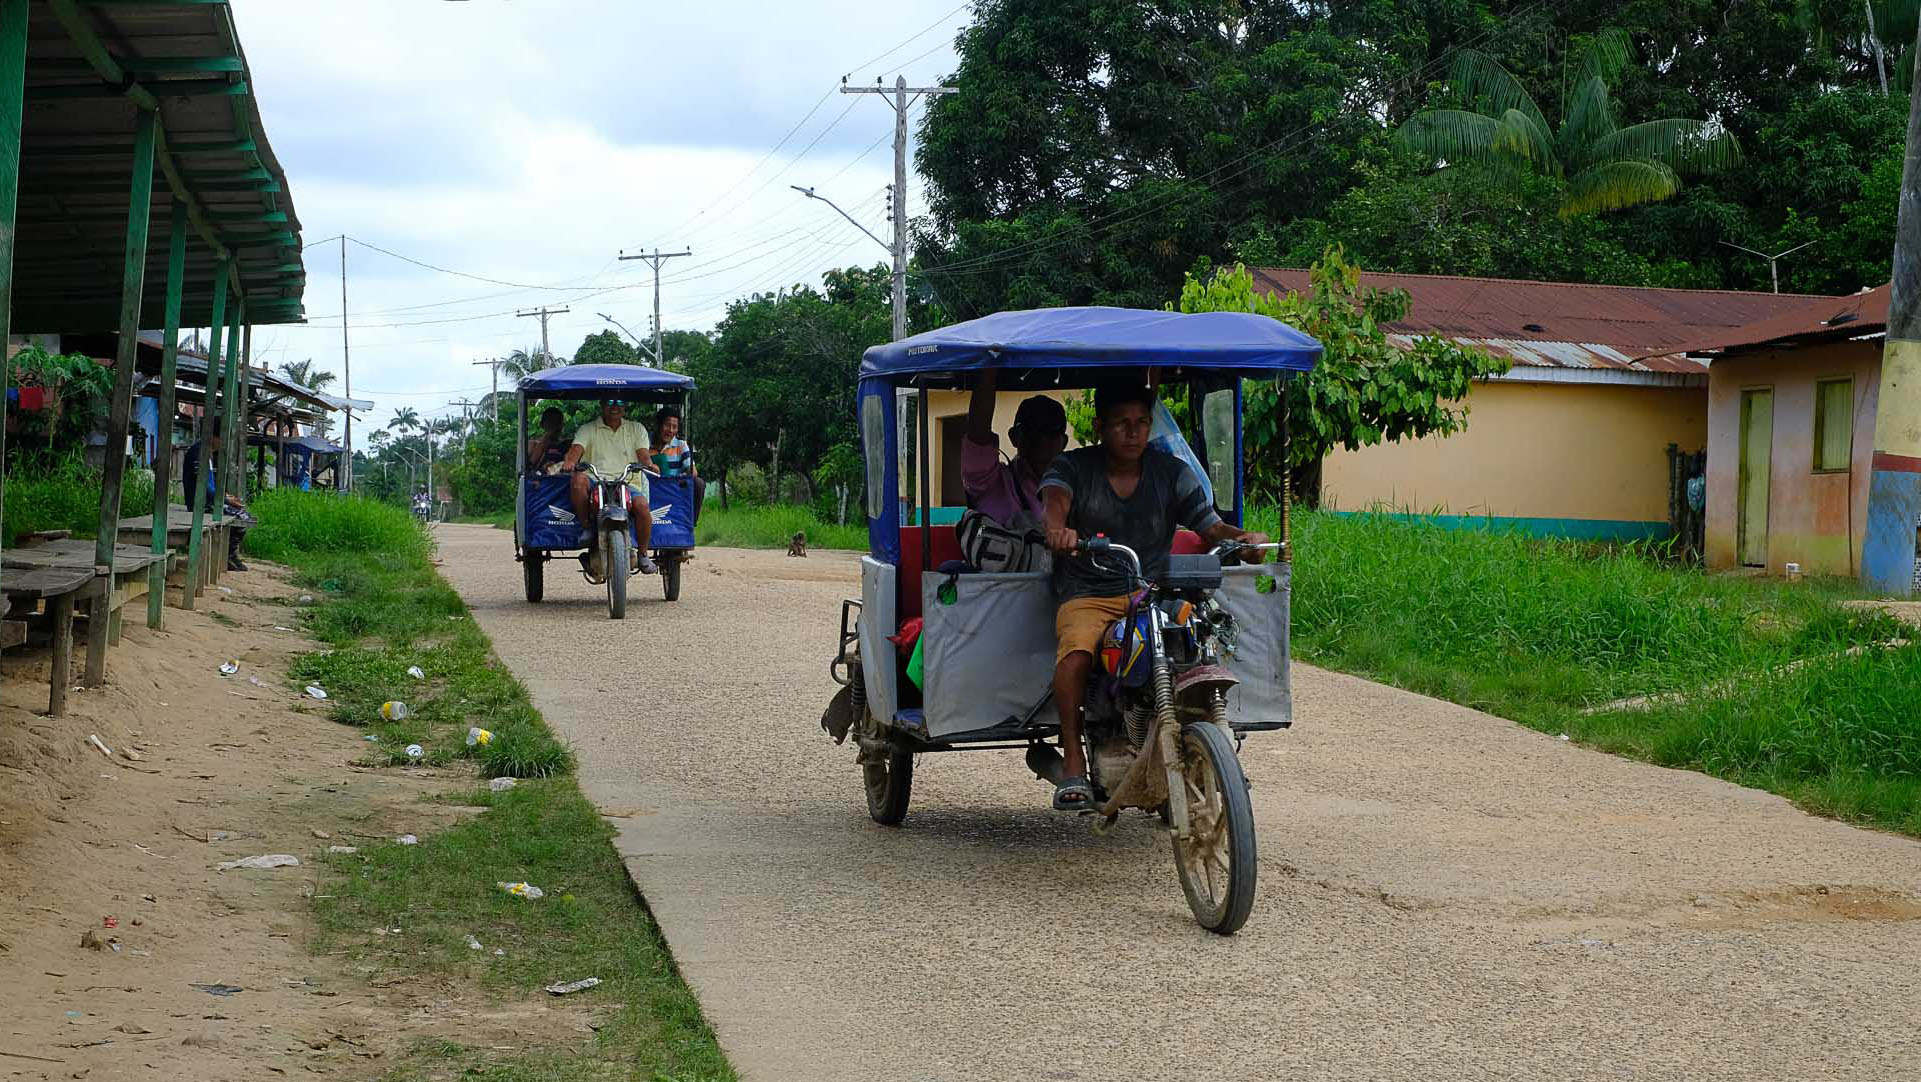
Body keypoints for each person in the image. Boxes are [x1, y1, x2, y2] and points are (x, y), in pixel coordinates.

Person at [1039, 379, 1267, 811]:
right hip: (1088, 591)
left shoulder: (1170, 472)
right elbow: (1055, 500)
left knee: (1196, 639)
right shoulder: (1072, 468)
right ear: (1101, 426)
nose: (1134, 432)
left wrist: (1243, 539)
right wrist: (1057, 529)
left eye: (1142, 422)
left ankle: (1206, 748)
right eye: (1122, 423)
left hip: (1151, 590)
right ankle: (1072, 760)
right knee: (1076, 653)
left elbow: (1209, 525)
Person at [962, 368, 1067, 528]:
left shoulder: (1077, 486)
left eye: (1051, 430)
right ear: (1014, 436)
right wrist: (989, 369)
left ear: (1064, 442)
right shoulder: (991, 482)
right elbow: (978, 436)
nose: (1042, 439)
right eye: (1031, 428)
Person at [561, 398, 655, 573]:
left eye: (620, 402)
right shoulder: (588, 429)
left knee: (642, 507)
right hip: (595, 480)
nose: (615, 406)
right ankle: (587, 528)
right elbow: (575, 451)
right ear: (602, 405)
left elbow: (643, 455)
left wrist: (648, 463)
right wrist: (571, 462)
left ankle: (643, 554)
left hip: (626, 480)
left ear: (625, 406)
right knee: (577, 480)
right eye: (610, 401)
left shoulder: (636, 428)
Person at [180, 424, 252, 572]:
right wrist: (225, 500)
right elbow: (204, 488)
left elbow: (208, 486)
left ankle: (229, 555)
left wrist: (225, 496)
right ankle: (228, 557)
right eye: (221, 438)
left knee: (242, 515)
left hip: (206, 500)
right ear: (213, 437)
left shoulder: (204, 452)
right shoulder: (199, 453)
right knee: (242, 518)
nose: (223, 443)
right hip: (200, 504)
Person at [650, 406, 706, 521]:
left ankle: (690, 522)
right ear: (658, 425)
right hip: (651, 488)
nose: (670, 430)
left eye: (674, 427)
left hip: (674, 487)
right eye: (667, 425)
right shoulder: (645, 443)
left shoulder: (681, 445)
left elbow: (693, 472)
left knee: (698, 483)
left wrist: (679, 478)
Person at [527, 406, 571, 474]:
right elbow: (531, 463)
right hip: (540, 479)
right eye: (551, 422)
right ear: (542, 424)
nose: (555, 426)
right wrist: (547, 436)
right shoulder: (533, 444)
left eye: (558, 422)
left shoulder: (566, 445)